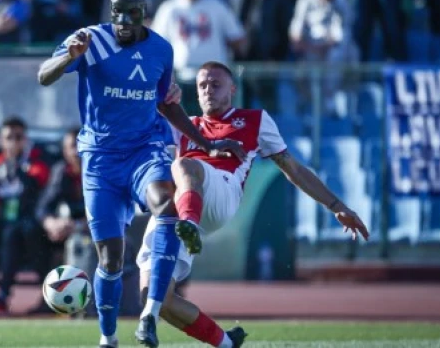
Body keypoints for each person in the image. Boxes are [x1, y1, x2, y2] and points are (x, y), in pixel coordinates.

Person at [37, 0, 243, 348]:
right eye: (116, 15)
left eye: (130, 16)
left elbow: (166, 104)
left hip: (144, 149)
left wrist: (206, 144)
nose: (122, 24)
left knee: (166, 204)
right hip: (100, 159)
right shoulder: (92, 40)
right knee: (110, 258)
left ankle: (149, 314)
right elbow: (44, 75)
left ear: (142, 14)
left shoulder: (161, 49)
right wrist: (68, 57)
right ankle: (108, 337)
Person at [135, 61, 371, 347]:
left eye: (216, 84)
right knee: (157, 298)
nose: (208, 90)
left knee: (184, 165)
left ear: (232, 90)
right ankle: (225, 342)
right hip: (181, 206)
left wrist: (336, 205)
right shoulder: (186, 125)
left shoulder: (254, 120)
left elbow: (293, 169)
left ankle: (189, 224)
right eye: (202, 86)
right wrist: (159, 95)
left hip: (221, 194)